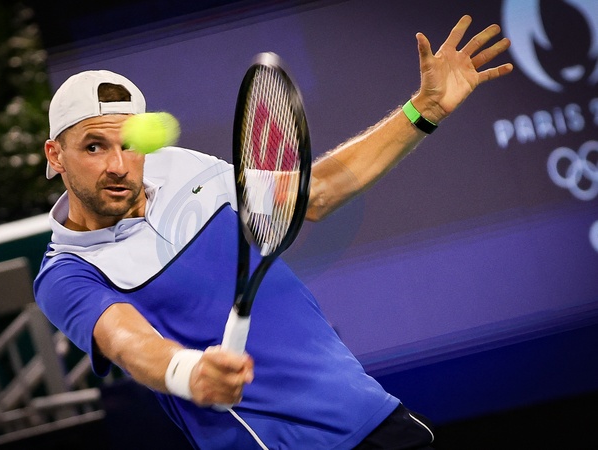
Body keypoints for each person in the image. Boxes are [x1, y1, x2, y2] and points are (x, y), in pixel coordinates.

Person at [34, 15, 512, 449]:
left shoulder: (183, 169)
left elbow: (315, 193)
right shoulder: (66, 271)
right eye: (94, 147)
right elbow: (128, 342)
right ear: (56, 155)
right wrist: (189, 371)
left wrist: (425, 108)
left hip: (372, 416)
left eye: (130, 144)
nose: (118, 165)